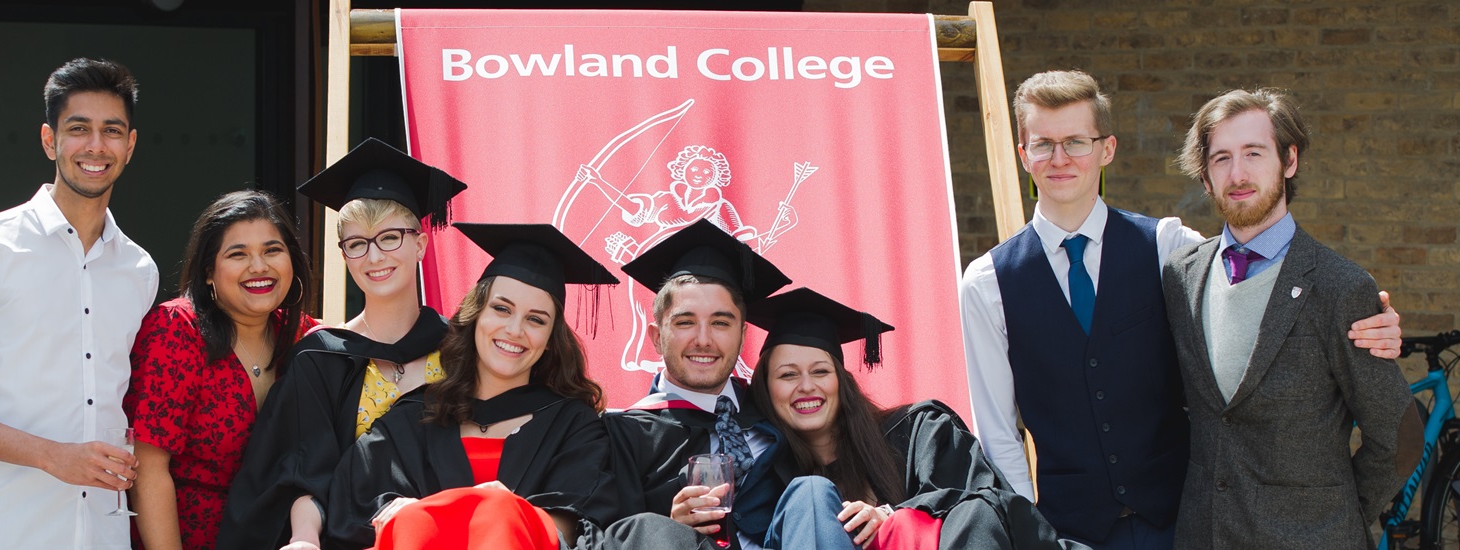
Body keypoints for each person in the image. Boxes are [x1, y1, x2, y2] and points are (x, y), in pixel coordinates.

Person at [958, 70, 1403, 549]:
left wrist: (1374, 322)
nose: (1060, 158)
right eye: (1043, 144)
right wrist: (1031, 536)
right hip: (1067, 533)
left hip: (1182, 526)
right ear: (1024, 156)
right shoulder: (986, 283)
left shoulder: (1168, 247)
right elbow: (999, 434)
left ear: (1107, 149)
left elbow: (1255, 282)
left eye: (1077, 141)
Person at [0, 57, 156, 549]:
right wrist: (53, 456)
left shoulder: (140, 270)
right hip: (5, 532)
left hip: (104, 535)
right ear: (50, 140)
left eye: (112, 131)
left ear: (129, 146)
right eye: (78, 129)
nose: (95, 146)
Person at [1162, 88, 1420, 548]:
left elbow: (1398, 438)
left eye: (1254, 153)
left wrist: (1333, 514)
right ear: (1205, 176)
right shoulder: (1180, 277)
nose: (1237, 174)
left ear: (1290, 160)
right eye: (1221, 158)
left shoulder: (1341, 287)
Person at [218, 137, 466, 549]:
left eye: (390, 237)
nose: (374, 257)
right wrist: (303, 538)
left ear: (420, 243)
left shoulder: (462, 351)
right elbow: (303, 470)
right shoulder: (322, 356)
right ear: (346, 255)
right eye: (357, 244)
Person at [320, 222, 620, 550]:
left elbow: (573, 526)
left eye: (536, 319)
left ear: (550, 340)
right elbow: (358, 509)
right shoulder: (415, 417)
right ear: (476, 314)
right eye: (501, 309)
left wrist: (500, 510)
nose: (514, 330)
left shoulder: (573, 426)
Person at [747, 287, 1084, 550]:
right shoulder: (772, 475)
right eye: (788, 375)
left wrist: (889, 515)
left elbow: (985, 506)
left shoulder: (920, 431)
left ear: (841, 382)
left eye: (820, 371)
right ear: (766, 389)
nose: (807, 387)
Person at [586, 218, 800, 550]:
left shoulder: (777, 412)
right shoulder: (622, 435)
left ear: (742, 336)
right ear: (657, 338)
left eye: (720, 323)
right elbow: (604, 538)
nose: (703, 340)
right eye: (685, 322)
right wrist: (667, 531)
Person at [123, 191, 316, 549]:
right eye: (238, 254)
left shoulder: (306, 338)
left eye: (272, 250)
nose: (259, 266)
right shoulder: (177, 330)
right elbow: (148, 469)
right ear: (209, 270)